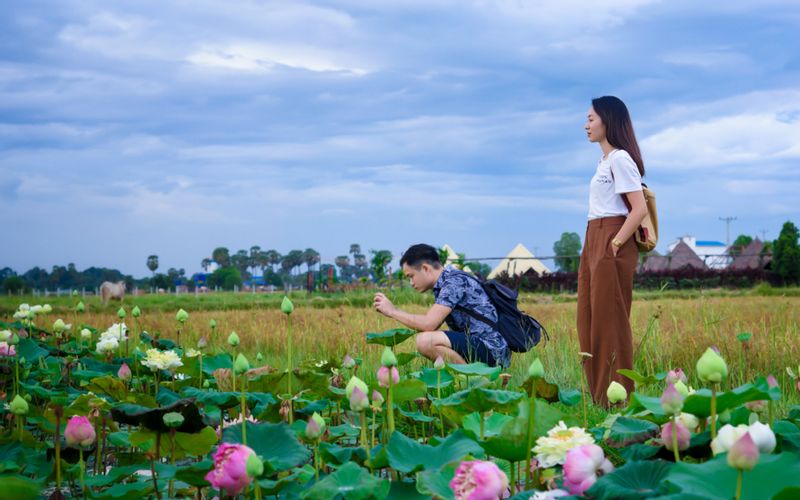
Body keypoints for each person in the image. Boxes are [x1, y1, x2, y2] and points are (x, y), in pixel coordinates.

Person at [579, 96, 648, 407]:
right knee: (589, 319)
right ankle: (599, 397)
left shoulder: (620, 159)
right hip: (594, 235)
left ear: (608, 120)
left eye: (591, 118)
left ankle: (617, 399)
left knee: (610, 323)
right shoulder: (604, 162)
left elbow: (639, 208)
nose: (586, 125)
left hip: (611, 236)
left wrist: (615, 244)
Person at [373, 243, 510, 368]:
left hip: (491, 349)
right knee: (428, 339)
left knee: (425, 341)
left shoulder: (454, 282)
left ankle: (472, 380)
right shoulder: (446, 283)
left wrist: (393, 311)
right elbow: (433, 325)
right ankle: (468, 378)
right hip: (478, 346)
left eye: (411, 276)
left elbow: (429, 324)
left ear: (425, 268)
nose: (411, 282)